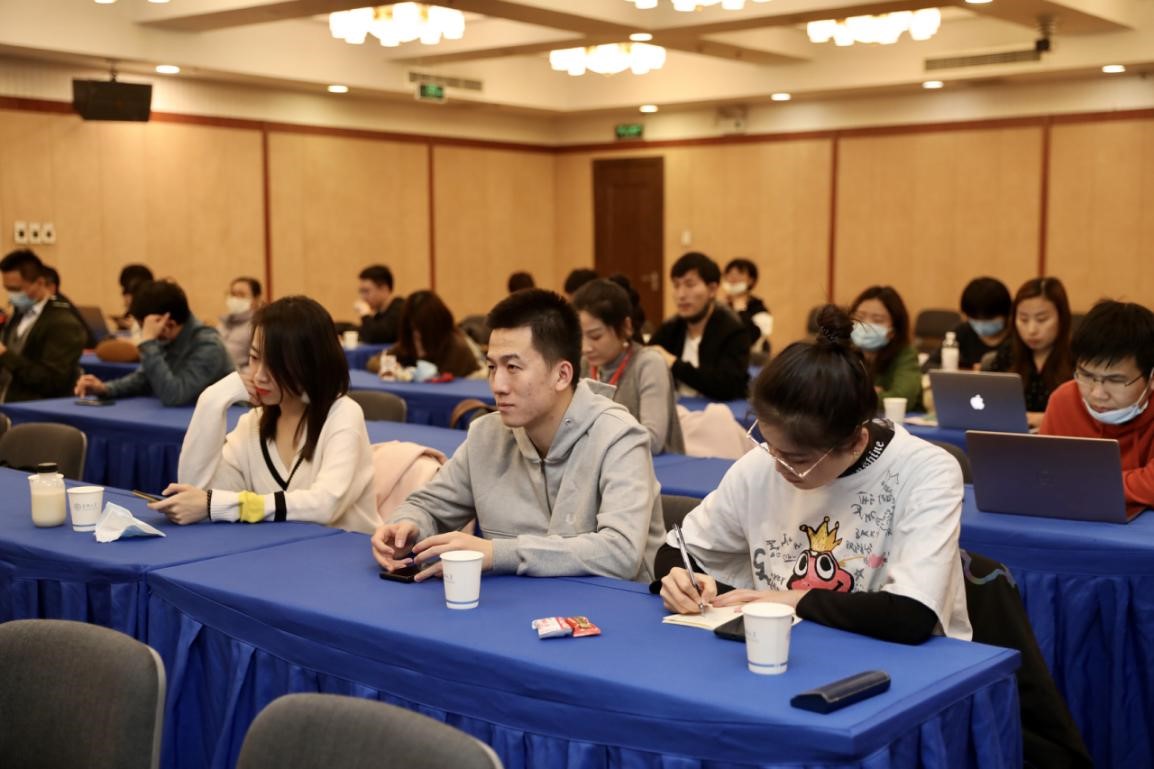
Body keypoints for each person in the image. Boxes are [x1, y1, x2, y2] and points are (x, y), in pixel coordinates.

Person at [657, 304, 971, 641]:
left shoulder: (926, 472)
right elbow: (677, 550)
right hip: (790, 645)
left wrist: (793, 599)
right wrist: (681, 580)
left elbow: (911, 615)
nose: (778, 466)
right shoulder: (760, 466)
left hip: (901, 659)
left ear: (856, 442)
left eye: (798, 459)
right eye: (769, 445)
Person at [371, 288, 664, 583]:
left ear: (562, 375)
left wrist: (498, 553)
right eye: (491, 367)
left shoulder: (619, 437)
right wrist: (406, 527)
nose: (497, 385)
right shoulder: (486, 435)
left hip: (609, 605)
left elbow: (620, 552)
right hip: (516, 605)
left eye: (513, 367)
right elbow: (427, 507)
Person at [150, 296, 378, 533]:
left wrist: (222, 505)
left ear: (311, 363)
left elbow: (325, 505)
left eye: (276, 364)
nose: (259, 375)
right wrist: (212, 400)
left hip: (345, 551)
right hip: (281, 552)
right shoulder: (253, 423)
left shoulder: (343, 414)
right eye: (255, 357)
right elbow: (196, 492)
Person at [1040, 300, 1154, 509]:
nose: (1097, 394)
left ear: (1151, 378)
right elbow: (1043, 472)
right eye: (1086, 375)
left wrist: (1077, 483)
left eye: (1116, 380)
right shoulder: (1064, 400)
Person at [74, 280, 234, 406]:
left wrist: (149, 342)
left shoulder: (208, 346)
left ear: (167, 323)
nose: (144, 332)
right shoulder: (168, 338)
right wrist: (105, 388)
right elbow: (144, 379)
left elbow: (175, 395)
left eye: (144, 327)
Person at [573, 279, 684, 455]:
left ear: (626, 326)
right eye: (580, 337)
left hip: (655, 466)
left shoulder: (648, 364)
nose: (586, 348)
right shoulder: (583, 364)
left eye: (596, 336)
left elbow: (652, 440)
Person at [649, 252, 750, 401]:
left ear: (712, 289)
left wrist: (674, 364)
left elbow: (727, 386)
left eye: (689, 285)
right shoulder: (670, 328)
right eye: (676, 285)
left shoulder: (733, 331)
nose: (681, 295)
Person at [984, 277, 1073, 428]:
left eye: (1042, 319)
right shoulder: (1008, 352)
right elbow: (988, 402)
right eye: (1024, 319)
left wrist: (1047, 418)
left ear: (1062, 318)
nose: (1031, 330)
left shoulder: (1078, 356)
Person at [0, 250, 87, 403]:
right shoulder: (18, 315)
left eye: (17, 289)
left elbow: (51, 381)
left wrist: (5, 355)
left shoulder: (63, 323)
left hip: (35, 406)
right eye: (8, 289)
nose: (11, 296)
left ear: (40, 283)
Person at [849, 285, 922, 411]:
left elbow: (902, 399)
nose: (866, 325)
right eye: (860, 317)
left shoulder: (905, 354)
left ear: (893, 331)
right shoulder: (844, 351)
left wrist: (854, 396)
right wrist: (874, 394)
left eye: (877, 320)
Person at [388, 290, 480, 378]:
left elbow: (437, 382)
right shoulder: (410, 341)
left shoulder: (457, 348)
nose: (416, 335)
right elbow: (382, 360)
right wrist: (392, 368)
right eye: (412, 329)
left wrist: (420, 356)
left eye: (421, 329)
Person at [926, 277, 1012, 370]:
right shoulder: (962, 331)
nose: (982, 325)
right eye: (975, 319)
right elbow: (929, 365)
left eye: (989, 319)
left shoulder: (1017, 336)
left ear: (1007, 314)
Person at [722, 258, 772, 353]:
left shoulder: (760, 311)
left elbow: (751, 340)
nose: (733, 278)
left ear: (751, 280)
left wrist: (741, 311)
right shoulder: (720, 306)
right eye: (729, 273)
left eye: (739, 274)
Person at [219, 276, 263, 372]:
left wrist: (236, 376)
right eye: (233, 294)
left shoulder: (258, 327)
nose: (235, 299)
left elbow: (258, 364)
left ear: (256, 299)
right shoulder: (223, 323)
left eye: (241, 295)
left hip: (238, 377)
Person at [355, 265, 404, 344]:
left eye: (366, 291)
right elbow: (364, 334)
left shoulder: (400, 309)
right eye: (361, 292)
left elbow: (376, 337)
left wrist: (365, 315)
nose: (362, 297)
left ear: (384, 289)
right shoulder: (379, 314)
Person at [111, 264, 154, 332]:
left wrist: (135, 327)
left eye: (127, 291)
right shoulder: (130, 314)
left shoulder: (154, 314)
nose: (123, 296)